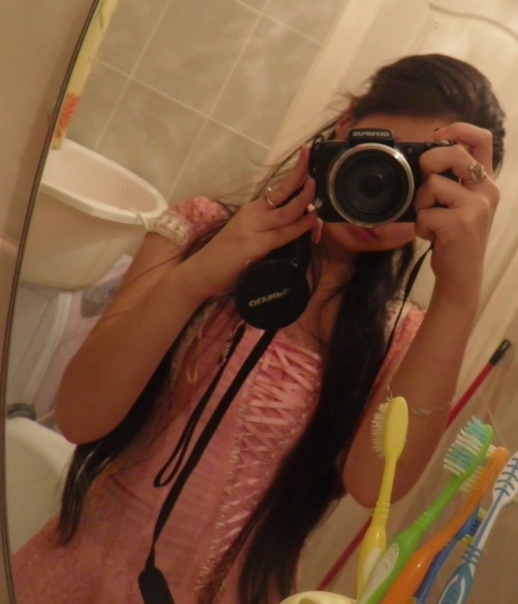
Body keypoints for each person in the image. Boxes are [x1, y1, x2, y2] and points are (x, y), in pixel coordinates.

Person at [13, 53, 505, 604]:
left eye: (415, 183)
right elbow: (81, 416)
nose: (383, 197)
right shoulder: (197, 232)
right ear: (345, 125)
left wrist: (458, 296)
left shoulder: (401, 337)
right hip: (75, 575)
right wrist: (197, 278)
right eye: (381, 158)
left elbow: (374, 487)